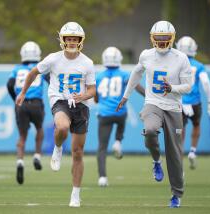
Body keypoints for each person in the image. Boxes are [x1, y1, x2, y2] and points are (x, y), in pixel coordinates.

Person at [16, 22, 95, 207]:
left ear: (80, 40)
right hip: (60, 101)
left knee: (78, 153)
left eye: (75, 39)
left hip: (81, 105)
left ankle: (75, 194)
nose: (72, 42)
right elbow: (33, 72)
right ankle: (58, 147)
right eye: (68, 38)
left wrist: (83, 95)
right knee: (62, 126)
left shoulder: (87, 62)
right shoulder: (53, 58)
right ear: (62, 40)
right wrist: (22, 92)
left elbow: (92, 90)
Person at [116, 20, 192, 208]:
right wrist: (126, 96)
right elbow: (135, 74)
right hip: (153, 103)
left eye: (165, 38)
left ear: (172, 38)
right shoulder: (146, 55)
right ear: (152, 38)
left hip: (173, 108)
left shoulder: (181, 58)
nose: (161, 41)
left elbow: (188, 87)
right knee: (150, 131)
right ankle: (156, 161)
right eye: (158, 38)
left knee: (174, 154)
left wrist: (172, 87)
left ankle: (176, 194)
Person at [95, 47, 145, 187]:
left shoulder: (99, 76)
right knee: (122, 117)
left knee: (102, 147)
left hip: (104, 113)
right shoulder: (123, 74)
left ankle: (102, 177)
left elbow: (95, 96)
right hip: (119, 112)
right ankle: (118, 141)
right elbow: (136, 86)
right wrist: (149, 96)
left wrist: (98, 100)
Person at [7, 41, 48, 185]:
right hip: (36, 103)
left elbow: (10, 85)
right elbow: (51, 81)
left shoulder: (17, 69)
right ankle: (37, 155)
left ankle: (20, 161)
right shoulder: (40, 68)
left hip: (21, 104)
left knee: (22, 136)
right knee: (39, 129)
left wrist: (16, 99)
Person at [176, 36, 210, 169]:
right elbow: (206, 83)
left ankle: (179, 158)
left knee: (181, 130)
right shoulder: (198, 66)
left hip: (180, 101)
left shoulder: (176, 63)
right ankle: (193, 151)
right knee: (196, 124)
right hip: (195, 102)